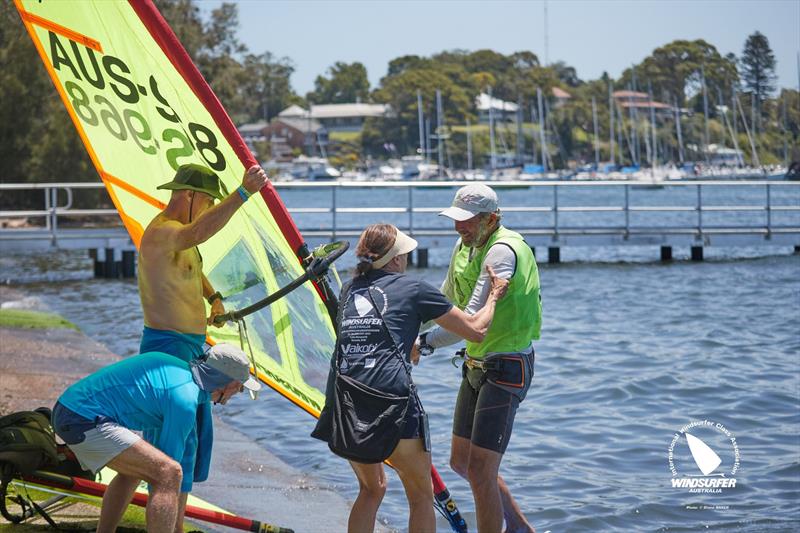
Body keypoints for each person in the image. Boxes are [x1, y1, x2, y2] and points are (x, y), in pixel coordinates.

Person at [102, 163, 268, 532]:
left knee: (169, 453)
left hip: (189, 348)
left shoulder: (180, 240)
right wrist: (242, 193)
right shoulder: (162, 232)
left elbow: (193, 265)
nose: (209, 208)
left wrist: (215, 298)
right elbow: (199, 233)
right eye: (207, 201)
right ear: (188, 196)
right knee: (169, 456)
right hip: (168, 348)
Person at [312, 223, 508, 533]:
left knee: (371, 489)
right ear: (394, 259)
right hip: (393, 401)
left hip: (346, 402)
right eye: (404, 253)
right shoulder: (414, 289)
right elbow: (475, 330)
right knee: (420, 496)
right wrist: (494, 295)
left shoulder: (350, 289)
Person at [418, 184, 541, 533]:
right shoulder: (465, 245)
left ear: (492, 219)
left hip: (507, 366)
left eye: (468, 221)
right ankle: (520, 529)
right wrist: (406, 324)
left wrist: (423, 345)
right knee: (461, 462)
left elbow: (472, 324)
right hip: (474, 365)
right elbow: (444, 301)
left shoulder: (502, 252)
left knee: (481, 470)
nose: (460, 227)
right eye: (457, 219)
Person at [51, 344, 260, 533]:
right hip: (81, 419)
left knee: (137, 470)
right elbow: (168, 471)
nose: (238, 392)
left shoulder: (177, 369)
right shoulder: (184, 401)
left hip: (69, 409)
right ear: (227, 384)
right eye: (240, 387)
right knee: (169, 474)